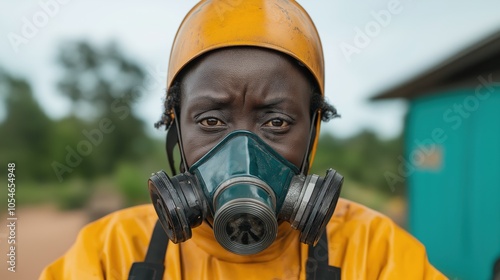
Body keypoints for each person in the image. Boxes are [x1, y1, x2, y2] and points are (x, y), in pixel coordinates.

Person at [40, 1, 447, 279]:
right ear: (175, 126)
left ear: (315, 128)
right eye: (212, 119)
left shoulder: (376, 254)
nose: (244, 157)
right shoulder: (109, 254)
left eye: (276, 122)